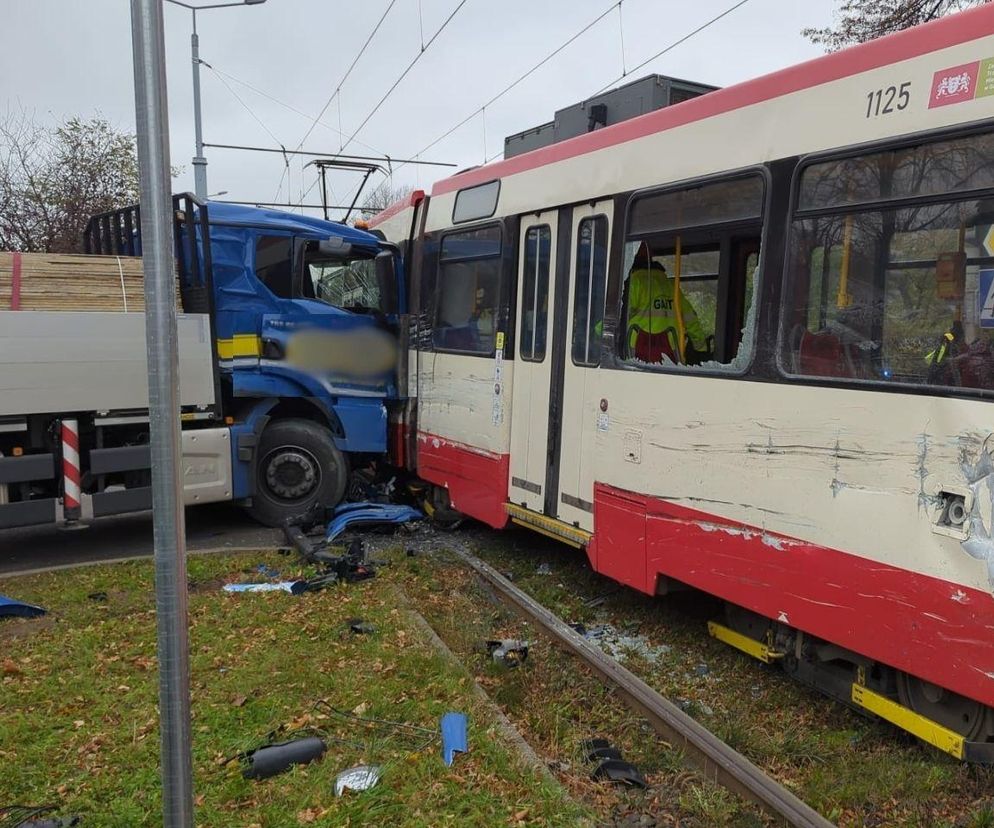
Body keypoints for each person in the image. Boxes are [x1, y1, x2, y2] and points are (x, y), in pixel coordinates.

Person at [625, 243, 705, 364]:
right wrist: (701, 348)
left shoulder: (634, 283)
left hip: (636, 353)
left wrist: (596, 333)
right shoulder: (672, 286)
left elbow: (615, 315)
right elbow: (690, 318)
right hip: (671, 354)